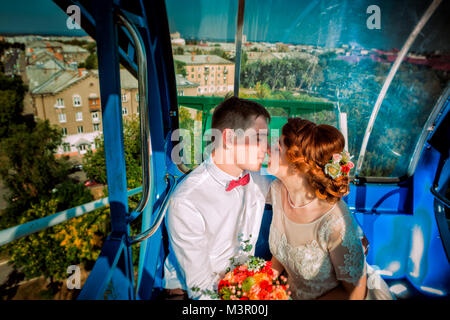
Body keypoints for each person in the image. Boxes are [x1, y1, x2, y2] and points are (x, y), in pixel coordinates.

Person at [266, 118, 394, 300]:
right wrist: (262, 283)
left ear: (298, 165)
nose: (268, 149)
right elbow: (283, 249)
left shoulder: (335, 222)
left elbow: (355, 294)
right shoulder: (278, 191)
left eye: (278, 147)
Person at [163, 96, 273, 300]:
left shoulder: (258, 179)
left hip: (241, 283)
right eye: (258, 138)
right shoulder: (187, 201)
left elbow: (295, 189)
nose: (266, 149)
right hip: (190, 293)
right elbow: (200, 289)